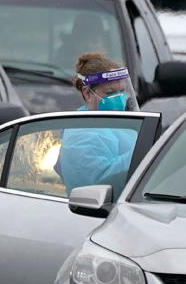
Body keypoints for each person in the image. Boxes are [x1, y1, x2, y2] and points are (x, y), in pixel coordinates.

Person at [57, 52, 140, 196]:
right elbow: (101, 181)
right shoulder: (81, 133)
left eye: (121, 91)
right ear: (87, 93)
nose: (119, 98)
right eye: (109, 92)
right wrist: (149, 153)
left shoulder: (109, 123)